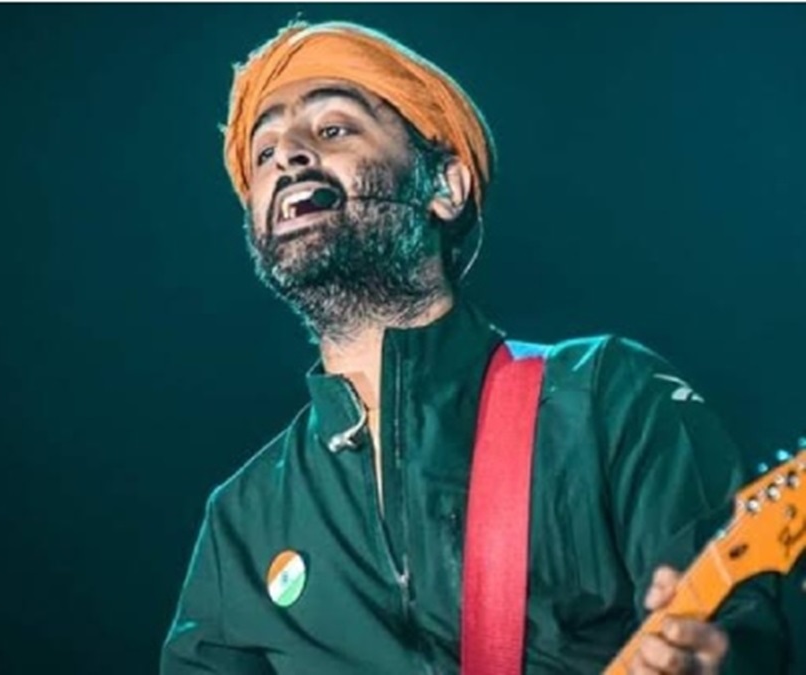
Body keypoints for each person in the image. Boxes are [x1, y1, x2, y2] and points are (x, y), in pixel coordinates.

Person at [160, 20, 788, 675]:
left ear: (445, 186)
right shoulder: (243, 519)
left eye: (333, 129)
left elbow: (745, 628)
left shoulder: (604, 395)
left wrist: (722, 660)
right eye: (263, 152)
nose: (287, 155)